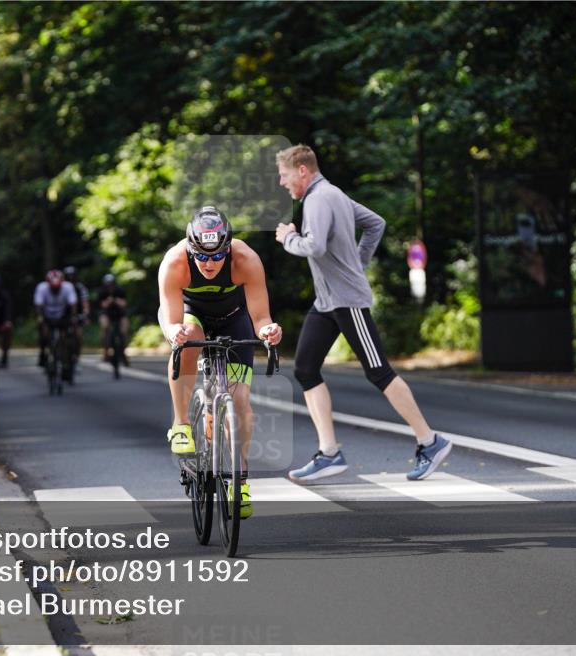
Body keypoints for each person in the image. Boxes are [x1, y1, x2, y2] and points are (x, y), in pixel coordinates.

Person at [274, 144, 452, 482]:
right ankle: (329, 453)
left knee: (379, 372)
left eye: (284, 176)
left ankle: (430, 442)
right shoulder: (333, 194)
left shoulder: (318, 198)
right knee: (306, 368)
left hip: (346, 300)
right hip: (327, 301)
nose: (283, 183)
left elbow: (315, 246)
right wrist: (359, 261)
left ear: (301, 170)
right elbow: (376, 223)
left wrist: (289, 237)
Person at [158, 206, 283, 519]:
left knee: (239, 401)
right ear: (191, 250)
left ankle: (239, 481)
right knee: (186, 340)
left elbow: (260, 316)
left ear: (228, 249)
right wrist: (177, 334)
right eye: (201, 256)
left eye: (217, 256)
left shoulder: (246, 259)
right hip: (190, 316)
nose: (209, 263)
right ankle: (181, 423)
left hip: (233, 319)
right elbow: (171, 320)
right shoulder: (175, 261)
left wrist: (268, 330)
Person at [34, 269, 77, 381]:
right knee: (44, 333)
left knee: (66, 338)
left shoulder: (68, 287)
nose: (55, 290)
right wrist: (40, 317)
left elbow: (73, 304)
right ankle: (43, 353)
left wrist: (73, 317)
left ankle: (66, 361)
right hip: (48, 315)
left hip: (62, 315)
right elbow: (39, 305)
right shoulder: (42, 288)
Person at [97, 273, 129, 363]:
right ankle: (106, 351)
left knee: (124, 331)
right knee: (105, 327)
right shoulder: (101, 291)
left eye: (111, 284)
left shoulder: (120, 290)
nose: (110, 287)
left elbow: (124, 304)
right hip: (106, 314)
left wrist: (115, 301)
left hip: (119, 314)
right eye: (108, 285)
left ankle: (123, 352)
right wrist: (109, 301)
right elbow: (102, 305)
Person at [63, 266, 91, 365]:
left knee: (78, 336)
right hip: (63, 314)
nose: (70, 279)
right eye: (68, 277)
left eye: (72, 276)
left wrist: (85, 314)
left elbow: (85, 303)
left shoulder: (80, 287)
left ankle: (77, 358)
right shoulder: (61, 287)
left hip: (77, 314)